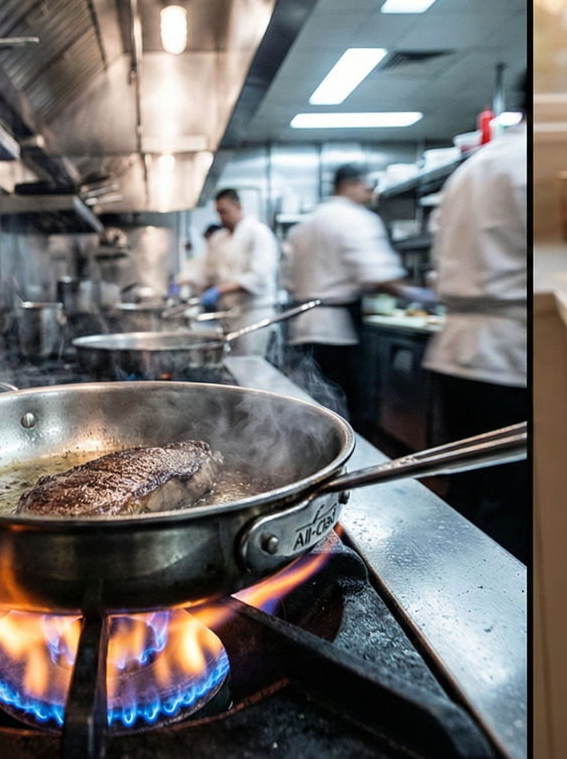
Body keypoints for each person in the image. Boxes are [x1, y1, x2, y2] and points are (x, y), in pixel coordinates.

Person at [422, 74, 529, 562]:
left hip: (455, 354)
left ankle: (450, 622)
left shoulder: (468, 169)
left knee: (462, 497)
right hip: (508, 359)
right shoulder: (526, 162)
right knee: (505, 507)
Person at [284, 166, 428, 423]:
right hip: (337, 332)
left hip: (303, 325)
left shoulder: (304, 225)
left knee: (311, 410)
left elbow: (289, 279)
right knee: (346, 411)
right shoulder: (355, 218)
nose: (370, 194)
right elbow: (378, 276)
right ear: (349, 185)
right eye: (366, 187)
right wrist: (422, 295)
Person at [187, 190, 280, 357]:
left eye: (224, 211)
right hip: (227, 316)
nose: (220, 217)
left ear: (237, 206)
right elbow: (208, 274)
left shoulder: (258, 233)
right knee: (229, 366)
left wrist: (219, 291)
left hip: (253, 315)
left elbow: (259, 278)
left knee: (249, 366)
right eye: (218, 212)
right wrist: (197, 288)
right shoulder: (218, 239)